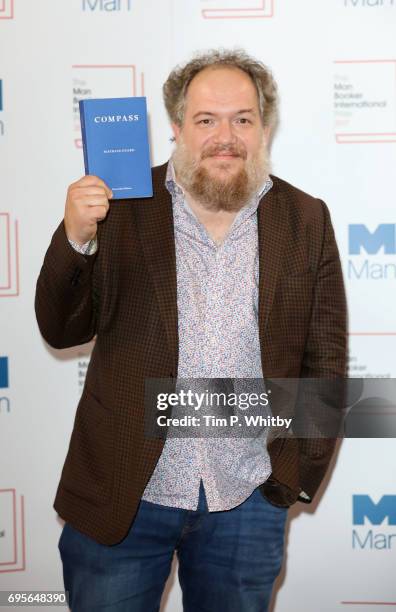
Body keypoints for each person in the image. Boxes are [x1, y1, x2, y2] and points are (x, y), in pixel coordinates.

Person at [35, 49, 347, 612]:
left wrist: (297, 475)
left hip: (247, 502)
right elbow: (60, 329)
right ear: (177, 127)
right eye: (206, 120)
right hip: (123, 497)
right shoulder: (122, 208)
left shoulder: (306, 218)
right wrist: (77, 235)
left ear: (264, 128)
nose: (224, 136)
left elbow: (324, 360)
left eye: (242, 119)